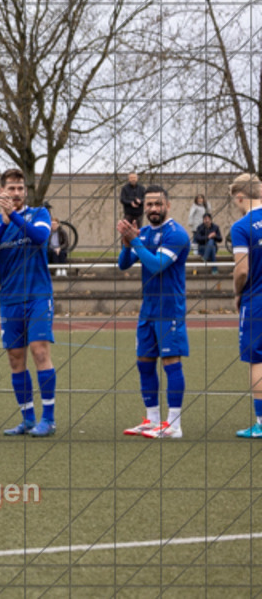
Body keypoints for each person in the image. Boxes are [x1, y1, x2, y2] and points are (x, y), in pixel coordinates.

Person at [0, 168, 58, 437]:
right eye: (11, 188)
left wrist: (12, 215)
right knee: (15, 359)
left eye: (20, 188)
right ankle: (28, 419)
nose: (16, 193)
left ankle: (48, 419)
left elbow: (40, 237)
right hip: (10, 299)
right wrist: (4, 222)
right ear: (2, 191)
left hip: (38, 296)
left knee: (39, 351)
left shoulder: (39, 214)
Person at [117, 185, 190, 439]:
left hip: (169, 309)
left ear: (167, 205)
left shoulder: (176, 234)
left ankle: (174, 425)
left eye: (158, 204)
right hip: (148, 310)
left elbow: (157, 265)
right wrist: (126, 243)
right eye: (149, 204)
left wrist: (135, 241)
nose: (153, 209)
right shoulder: (145, 232)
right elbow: (123, 264)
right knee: (144, 363)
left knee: (171, 363)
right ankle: (153, 420)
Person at [230, 173, 262, 438]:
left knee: (257, 360)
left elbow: (242, 270)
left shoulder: (242, 226)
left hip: (257, 300)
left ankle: (261, 422)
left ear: (239, 196)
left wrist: (236, 293)